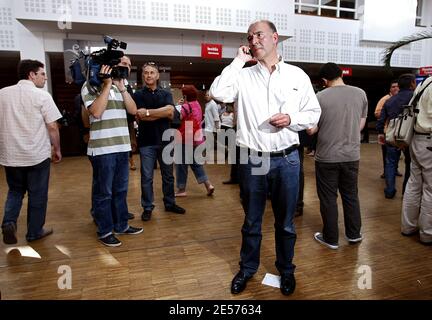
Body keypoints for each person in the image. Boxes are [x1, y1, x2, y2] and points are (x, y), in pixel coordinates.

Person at [210, 20, 321, 296]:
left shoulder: (297, 75)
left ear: (275, 37)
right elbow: (219, 93)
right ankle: (247, 269)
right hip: (253, 159)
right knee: (252, 221)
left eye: (259, 34)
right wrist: (237, 61)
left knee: (285, 222)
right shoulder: (243, 76)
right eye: (249, 37)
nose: (253, 40)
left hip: (288, 159)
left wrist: (292, 118)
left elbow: (313, 112)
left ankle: (286, 270)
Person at [82, 55, 143, 247]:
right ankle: (105, 230)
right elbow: (97, 112)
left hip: (121, 147)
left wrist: (121, 86)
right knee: (104, 193)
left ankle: (122, 225)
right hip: (102, 149)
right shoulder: (90, 86)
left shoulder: (121, 87)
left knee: (120, 190)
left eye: (128, 66)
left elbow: (133, 110)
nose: (126, 68)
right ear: (110, 66)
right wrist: (107, 85)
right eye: (123, 64)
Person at [0, 59, 62, 244]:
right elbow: (52, 126)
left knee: (15, 191)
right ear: (31, 74)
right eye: (42, 74)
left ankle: (9, 222)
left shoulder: (2, 94)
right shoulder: (42, 96)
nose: (45, 78)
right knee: (38, 194)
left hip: (11, 155)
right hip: (37, 155)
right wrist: (57, 148)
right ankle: (34, 232)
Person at [307, 62, 368, 250]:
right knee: (351, 195)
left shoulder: (319, 97)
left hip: (327, 156)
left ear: (324, 80)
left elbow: (311, 130)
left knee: (328, 198)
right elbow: (361, 124)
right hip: (351, 155)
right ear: (341, 74)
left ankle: (331, 238)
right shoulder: (360, 93)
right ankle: (354, 234)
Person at [133, 62, 186, 222]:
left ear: (157, 76)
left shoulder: (166, 93)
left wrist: (148, 113)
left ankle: (170, 203)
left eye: (152, 73)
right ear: (143, 75)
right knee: (146, 177)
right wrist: (160, 113)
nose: (149, 75)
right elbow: (140, 116)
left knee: (168, 176)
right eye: (146, 73)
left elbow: (170, 113)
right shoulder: (138, 95)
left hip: (165, 140)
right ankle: (147, 207)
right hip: (146, 142)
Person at [401, 76, 432, 246]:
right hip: (429, 140)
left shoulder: (424, 83)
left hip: (416, 140)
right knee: (430, 189)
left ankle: (408, 226)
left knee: (413, 184)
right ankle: (427, 234)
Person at [377, 74, 416, 199]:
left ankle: (389, 191)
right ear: (412, 84)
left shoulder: (390, 100)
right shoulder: (415, 98)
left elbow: (381, 120)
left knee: (390, 163)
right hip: (411, 137)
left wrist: (381, 133)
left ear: (398, 86)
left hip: (393, 136)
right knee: (410, 164)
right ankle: (405, 192)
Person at [174, 85, 215, 197]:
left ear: (185, 95)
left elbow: (178, 118)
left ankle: (181, 190)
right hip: (196, 137)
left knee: (181, 164)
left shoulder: (186, 106)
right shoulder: (197, 104)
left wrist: (178, 106)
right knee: (196, 163)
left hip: (185, 137)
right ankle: (208, 185)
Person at [374, 80, 400, 179]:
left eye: (397, 86)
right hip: (386, 131)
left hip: (398, 131)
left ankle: (395, 169)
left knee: (397, 152)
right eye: (393, 87)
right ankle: (386, 172)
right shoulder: (385, 99)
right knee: (386, 153)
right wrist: (388, 113)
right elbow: (376, 113)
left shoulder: (400, 99)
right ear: (390, 89)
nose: (395, 88)